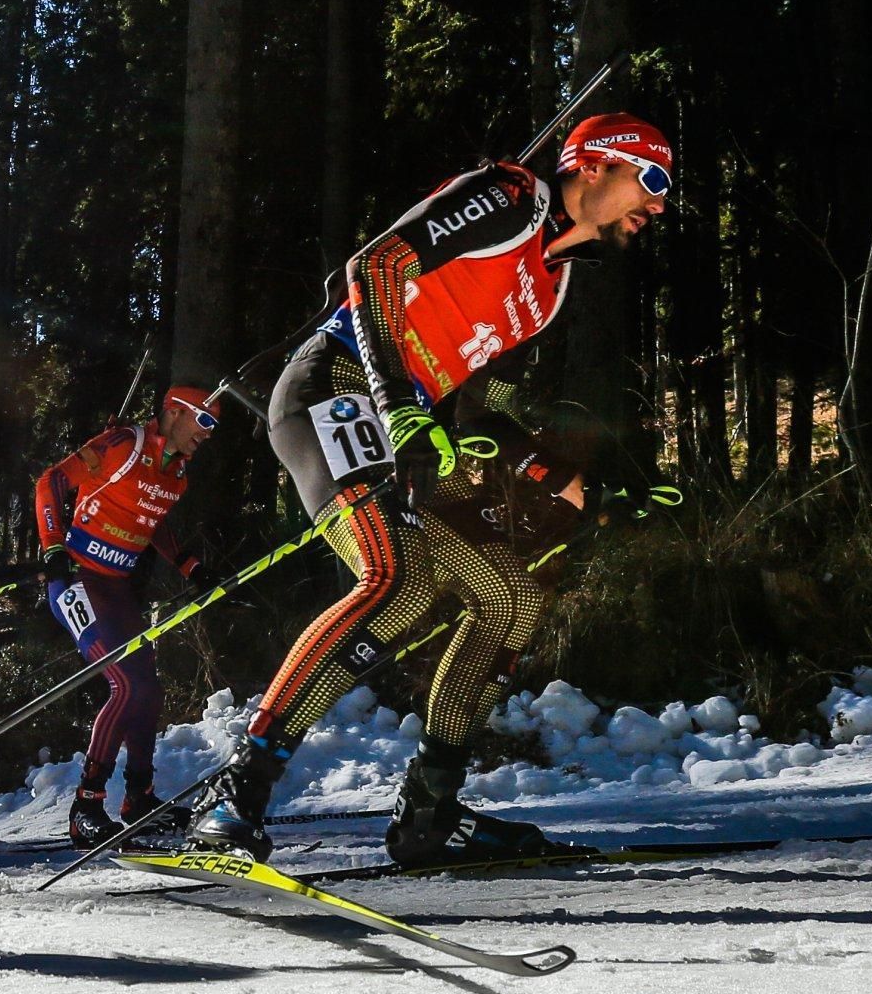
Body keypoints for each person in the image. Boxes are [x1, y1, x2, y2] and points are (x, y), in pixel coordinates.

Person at [188, 113, 673, 868]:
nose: (660, 205)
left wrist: (577, 487)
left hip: (404, 421)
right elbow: (375, 267)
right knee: (399, 578)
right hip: (339, 385)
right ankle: (234, 794)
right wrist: (401, 404)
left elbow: (484, 413)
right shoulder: (512, 198)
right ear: (598, 165)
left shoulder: (552, 290)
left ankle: (432, 812)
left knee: (510, 596)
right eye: (653, 181)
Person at [34, 387, 215, 847]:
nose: (208, 434)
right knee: (126, 683)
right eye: (205, 421)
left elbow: (151, 521)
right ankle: (86, 808)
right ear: (174, 413)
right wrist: (53, 547)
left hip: (117, 588)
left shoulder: (178, 476)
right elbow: (51, 481)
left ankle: (139, 799)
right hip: (76, 579)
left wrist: (190, 565)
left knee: (148, 689)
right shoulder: (122, 445)